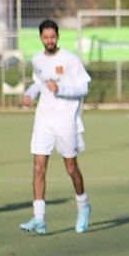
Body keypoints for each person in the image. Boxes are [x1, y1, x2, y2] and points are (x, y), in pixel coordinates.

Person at [19, 19, 92, 235]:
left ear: (58, 37)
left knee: (71, 168)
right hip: (43, 120)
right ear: (41, 38)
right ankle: (39, 218)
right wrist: (30, 94)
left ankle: (83, 205)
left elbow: (83, 88)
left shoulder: (70, 59)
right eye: (46, 37)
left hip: (66, 121)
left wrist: (61, 88)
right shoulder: (37, 59)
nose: (49, 41)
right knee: (38, 167)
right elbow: (38, 83)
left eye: (52, 37)